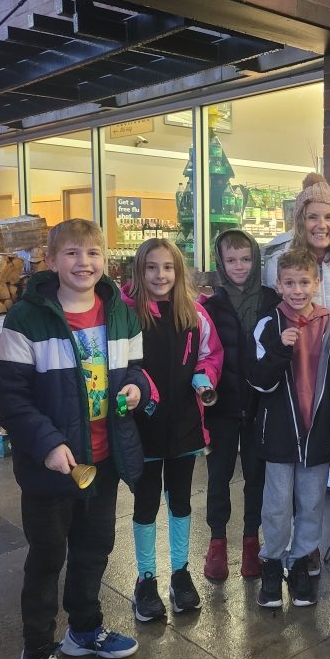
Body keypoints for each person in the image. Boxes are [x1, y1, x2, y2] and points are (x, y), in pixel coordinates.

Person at [0, 219, 153, 659]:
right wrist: (46, 444)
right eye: (72, 254)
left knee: (94, 548)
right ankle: (36, 650)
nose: (84, 263)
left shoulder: (121, 314)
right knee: (48, 557)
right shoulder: (26, 318)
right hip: (52, 467)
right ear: (50, 260)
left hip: (105, 461)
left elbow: (136, 370)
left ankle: (84, 629)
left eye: (93, 254)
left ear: (105, 260)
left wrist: (135, 388)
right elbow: (12, 395)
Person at [263, 174, 330, 574]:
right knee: (299, 475)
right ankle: (303, 544)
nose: (320, 224)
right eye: (312, 216)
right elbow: (269, 313)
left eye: (328, 215)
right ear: (300, 219)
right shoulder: (280, 259)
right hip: (297, 385)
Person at [248, 249, 330, 608]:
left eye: (305, 282)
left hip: (319, 435)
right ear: (278, 285)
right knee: (277, 505)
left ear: (317, 283)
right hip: (279, 436)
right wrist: (280, 350)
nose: (298, 290)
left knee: (311, 503)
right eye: (290, 283)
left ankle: (301, 561)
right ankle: (273, 561)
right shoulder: (269, 326)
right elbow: (259, 382)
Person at [121, 239, 223, 621]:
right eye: (151, 267)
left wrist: (203, 377)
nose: (159, 275)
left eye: (167, 267)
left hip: (184, 426)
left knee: (180, 500)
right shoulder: (127, 314)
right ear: (139, 270)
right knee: (145, 503)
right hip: (142, 427)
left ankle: (180, 573)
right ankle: (146, 579)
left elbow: (210, 355)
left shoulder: (194, 315)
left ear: (179, 272)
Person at [198, 228, 279, 581]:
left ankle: (251, 541)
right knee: (218, 475)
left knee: (256, 477)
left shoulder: (271, 300)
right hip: (223, 406)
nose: (239, 266)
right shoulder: (210, 305)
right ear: (220, 262)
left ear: (256, 260)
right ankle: (217, 541)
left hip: (261, 404)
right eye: (231, 260)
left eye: (246, 259)